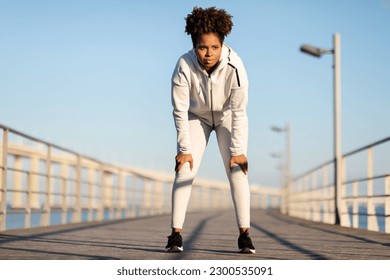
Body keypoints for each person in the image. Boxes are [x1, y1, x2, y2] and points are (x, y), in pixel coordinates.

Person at [165, 6, 255, 254]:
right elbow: (180, 110)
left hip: (226, 115)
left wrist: (238, 151)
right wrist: (184, 149)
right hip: (197, 117)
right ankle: (175, 235)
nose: (208, 54)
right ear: (195, 44)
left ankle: (245, 235)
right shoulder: (183, 65)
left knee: (237, 169)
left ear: (222, 44)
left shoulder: (235, 66)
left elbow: (239, 112)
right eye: (203, 47)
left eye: (214, 47)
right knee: (185, 169)